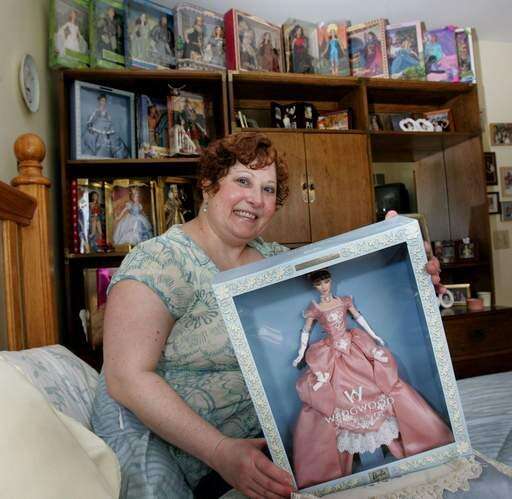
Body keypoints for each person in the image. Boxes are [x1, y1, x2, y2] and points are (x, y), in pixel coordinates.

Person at [91, 132, 444, 498]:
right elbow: (126, 377)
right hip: (203, 457)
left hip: (282, 444)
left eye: (269, 189)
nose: (256, 199)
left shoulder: (277, 260)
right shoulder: (159, 260)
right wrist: (220, 451)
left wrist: (410, 274)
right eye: (243, 181)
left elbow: (348, 290)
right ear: (209, 184)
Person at [291, 269, 454, 489]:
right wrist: (301, 353)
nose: (324, 287)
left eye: (326, 281)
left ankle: (405, 441)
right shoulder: (315, 309)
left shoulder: (344, 301)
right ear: (314, 287)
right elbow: (306, 331)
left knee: (375, 383)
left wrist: (374, 335)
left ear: (331, 281)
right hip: (332, 354)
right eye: (319, 284)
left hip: (353, 347)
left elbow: (358, 318)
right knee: (337, 395)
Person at [83, 93, 128, 159]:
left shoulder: (106, 112)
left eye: (104, 101)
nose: (103, 102)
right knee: (100, 143)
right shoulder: (97, 111)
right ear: (99, 101)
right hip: (97, 129)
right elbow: (90, 120)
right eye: (102, 101)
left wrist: (110, 128)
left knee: (115, 141)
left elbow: (109, 121)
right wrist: (90, 127)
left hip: (106, 129)